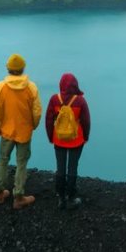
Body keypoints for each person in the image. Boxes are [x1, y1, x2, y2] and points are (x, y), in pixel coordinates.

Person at [0, 53, 42, 209]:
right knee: (21, 163)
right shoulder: (31, 87)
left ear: (8, 69)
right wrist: (33, 125)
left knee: (3, 160)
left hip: (6, 131)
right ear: (22, 69)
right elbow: (37, 111)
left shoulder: (0, 87)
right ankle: (18, 196)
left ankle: (0, 193)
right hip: (24, 132)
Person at [45, 72, 91, 209]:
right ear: (75, 85)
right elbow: (86, 121)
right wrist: (86, 137)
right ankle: (71, 196)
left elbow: (48, 120)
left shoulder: (54, 99)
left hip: (59, 139)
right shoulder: (80, 101)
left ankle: (60, 197)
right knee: (72, 168)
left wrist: (50, 136)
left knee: (60, 168)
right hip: (76, 140)